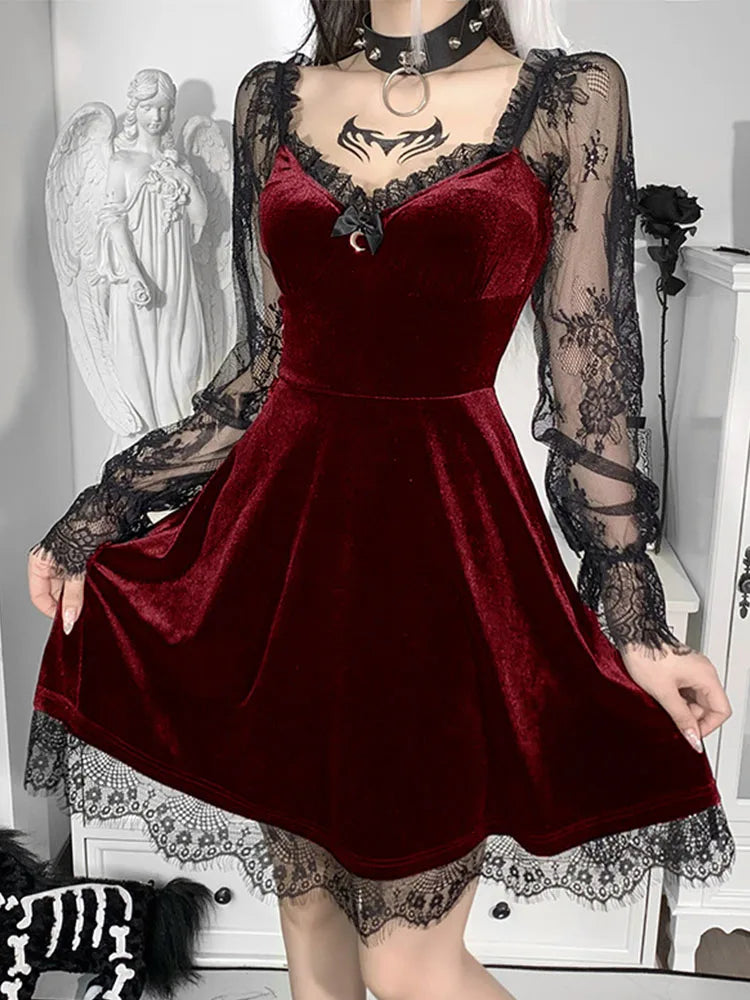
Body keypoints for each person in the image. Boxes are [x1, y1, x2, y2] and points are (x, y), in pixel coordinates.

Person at [25, 1, 735, 998]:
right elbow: (262, 365)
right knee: (311, 924)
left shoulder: (569, 98)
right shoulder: (274, 98)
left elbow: (593, 382)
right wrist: (102, 513)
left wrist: (637, 621)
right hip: (283, 550)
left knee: (409, 962)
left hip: (441, 552)